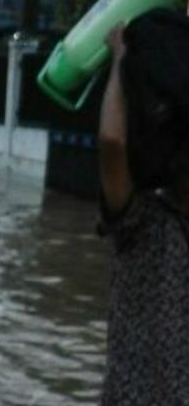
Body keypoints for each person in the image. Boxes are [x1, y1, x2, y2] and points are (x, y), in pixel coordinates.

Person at [97, 22, 189, 406]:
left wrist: (121, 57)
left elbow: (114, 141)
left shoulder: (144, 221)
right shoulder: (141, 220)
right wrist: (121, 58)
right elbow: (113, 142)